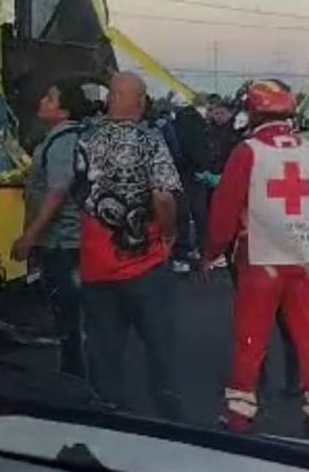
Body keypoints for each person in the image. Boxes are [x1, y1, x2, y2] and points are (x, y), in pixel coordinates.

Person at [202, 80, 309, 435]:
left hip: (260, 260)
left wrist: (213, 252)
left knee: (252, 337)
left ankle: (240, 414)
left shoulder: (248, 152)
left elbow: (225, 209)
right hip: (303, 259)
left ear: (254, 112)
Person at [74, 72, 184, 421]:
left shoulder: (85, 140)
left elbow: (77, 193)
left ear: (111, 100)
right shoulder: (150, 141)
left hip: (96, 265)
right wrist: (167, 233)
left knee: (103, 346)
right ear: (139, 103)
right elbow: (164, 196)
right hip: (145, 264)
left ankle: (108, 413)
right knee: (159, 343)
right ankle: (167, 411)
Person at [10, 81, 89, 377]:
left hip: (63, 243)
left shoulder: (63, 143)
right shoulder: (62, 139)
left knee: (68, 312)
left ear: (65, 110)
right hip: (67, 241)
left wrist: (29, 238)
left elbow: (57, 193)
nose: (43, 101)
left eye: (50, 99)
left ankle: (75, 380)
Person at [170, 98, 212, 273]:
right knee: (201, 214)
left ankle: (181, 255)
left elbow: (175, 148)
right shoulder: (200, 122)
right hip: (199, 173)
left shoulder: (176, 124)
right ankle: (203, 251)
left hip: (180, 173)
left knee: (182, 216)